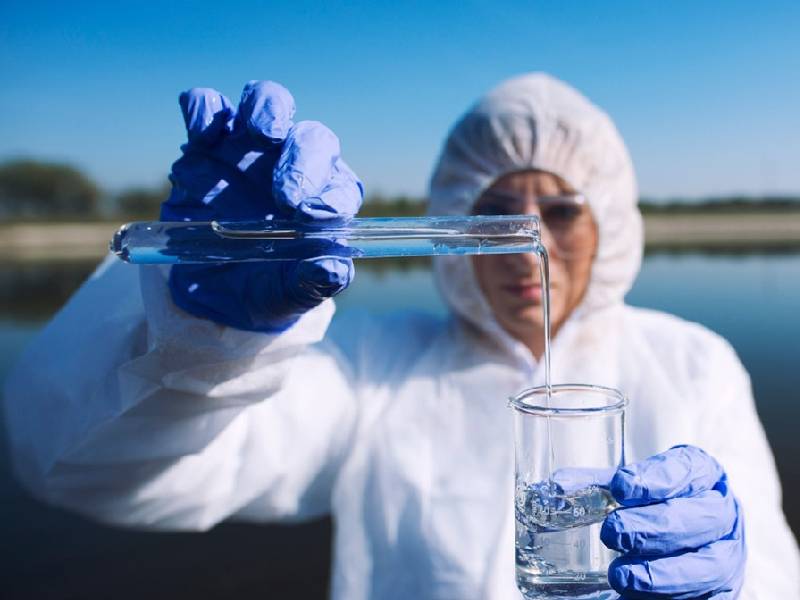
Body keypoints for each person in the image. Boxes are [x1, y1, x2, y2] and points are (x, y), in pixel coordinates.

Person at [4, 74, 799, 599]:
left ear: (611, 220)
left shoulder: (692, 362)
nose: (537, 245)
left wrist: (733, 585)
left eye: (562, 210)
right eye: (497, 211)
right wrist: (204, 335)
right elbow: (86, 471)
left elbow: (773, 574)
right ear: (458, 226)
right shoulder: (374, 367)